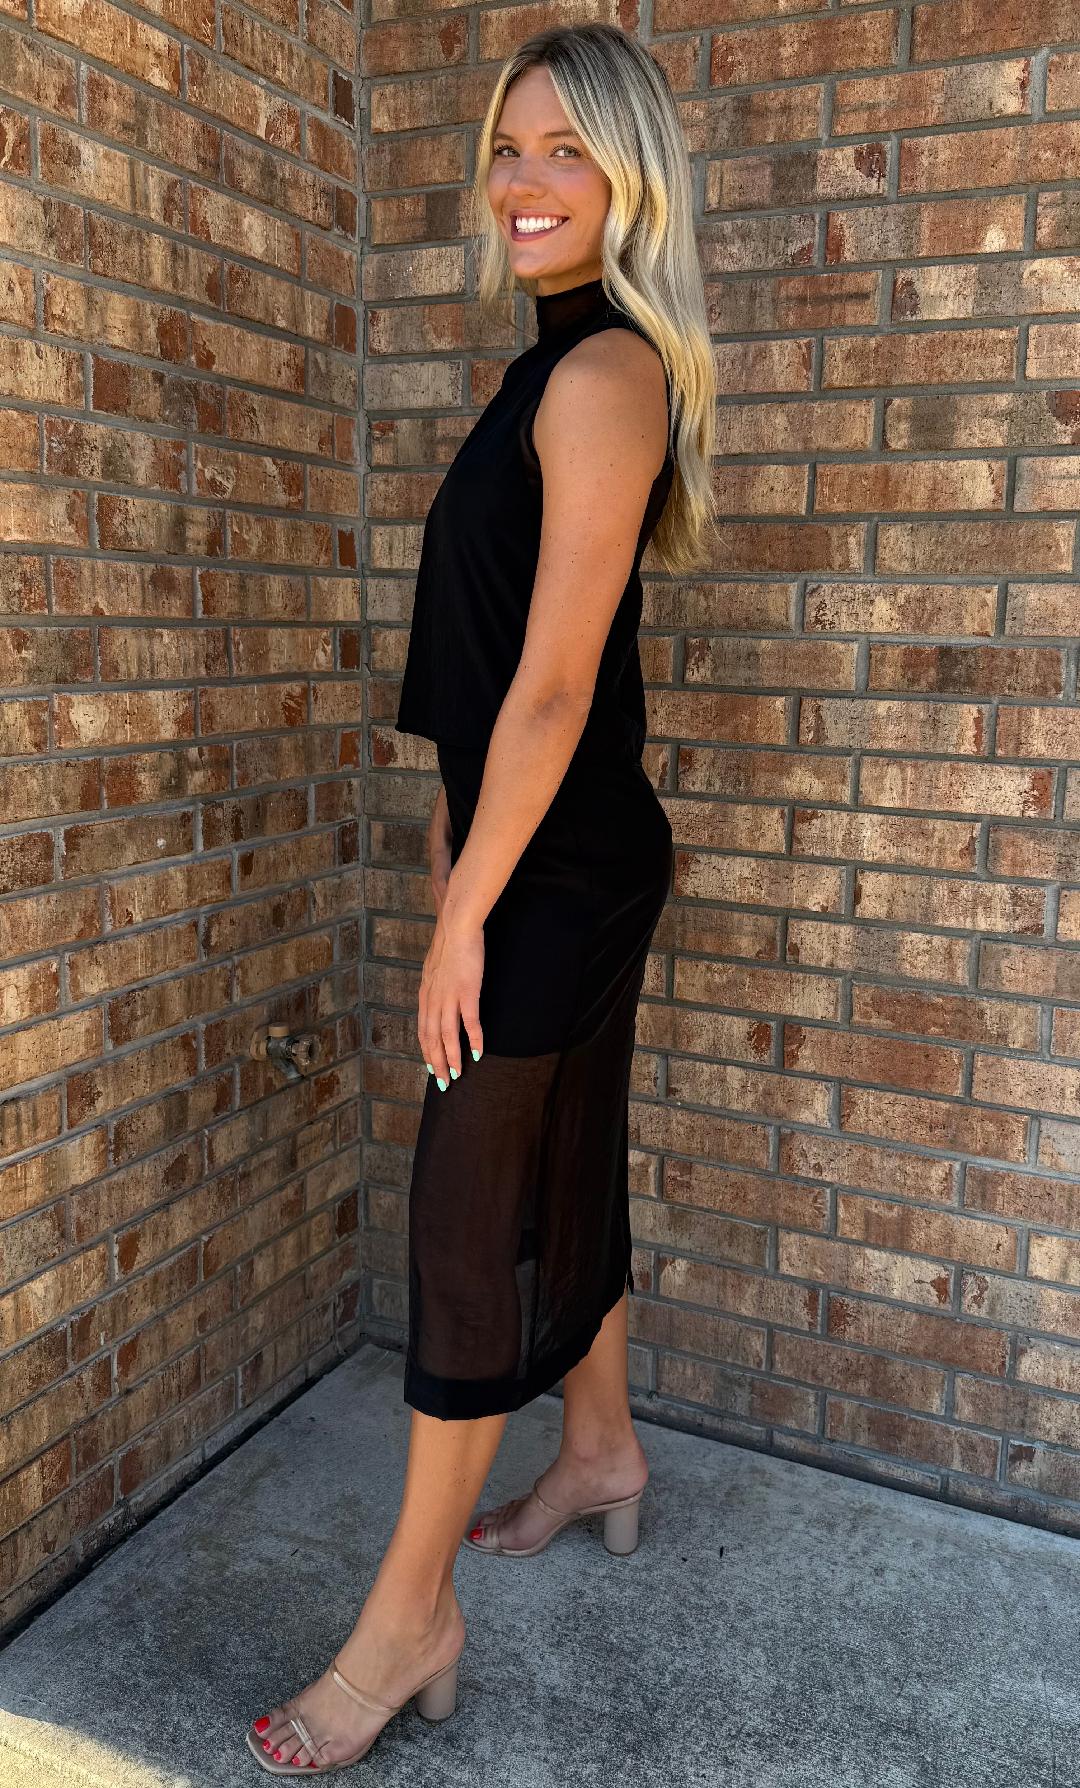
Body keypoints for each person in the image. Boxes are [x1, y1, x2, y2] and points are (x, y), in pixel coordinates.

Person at [247, 21, 717, 1776]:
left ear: (630, 180)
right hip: (535, 858)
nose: (523, 181)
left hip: (563, 878)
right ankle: (599, 1452)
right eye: (508, 147)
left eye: (564, 150)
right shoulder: (550, 370)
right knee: (558, 1160)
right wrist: (455, 855)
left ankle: (406, 1621)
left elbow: (557, 685)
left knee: (465, 1217)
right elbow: (491, 672)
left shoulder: (606, 376)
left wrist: (462, 919)